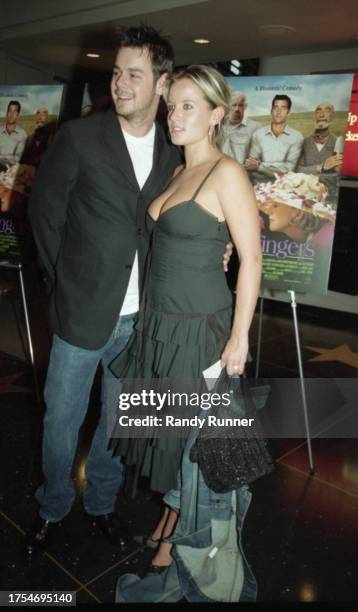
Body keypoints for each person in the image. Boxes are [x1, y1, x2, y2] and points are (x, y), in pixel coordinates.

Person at [25, 25, 182, 560]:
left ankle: (101, 506)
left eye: (134, 74)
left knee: (120, 427)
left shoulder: (173, 147)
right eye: (116, 72)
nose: (119, 83)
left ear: (162, 84)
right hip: (82, 312)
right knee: (60, 422)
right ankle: (52, 507)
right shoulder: (79, 137)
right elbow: (45, 214)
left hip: (141, 320)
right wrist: (62, 280)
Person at [109, 64, 269, 587]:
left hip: (199, 331)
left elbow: (252, 259)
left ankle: (179, 549)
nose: (175, 117)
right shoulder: (178, 171)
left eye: (189, 107)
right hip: (160, 325)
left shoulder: (227, 172)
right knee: (171, 437)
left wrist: (240, 338)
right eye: (172, 105)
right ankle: (167, 525)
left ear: (217, 115)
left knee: (190, 446)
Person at [254, 171, 336, 244]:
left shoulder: (323, 241)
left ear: (298, 214)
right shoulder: (308, 243)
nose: (267, 211)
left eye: (275, 205)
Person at [244, 94, 303, 178]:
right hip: (260, 184)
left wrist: (259, 166)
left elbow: (290, 168)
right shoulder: (258, 134)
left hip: (286, 185)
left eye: (283, 108)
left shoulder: (297, 137)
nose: (278, 111)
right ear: (271, 111)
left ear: (289, 113)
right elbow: (250, 165)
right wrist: (277, 167)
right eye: (275, 107)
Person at [297, 102, 343, 175]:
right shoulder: (304, 142)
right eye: (318, 111)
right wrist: (321, 167)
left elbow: (338, 174)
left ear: (332, 116)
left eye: (327, 111)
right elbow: (298, 170)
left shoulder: (338, 143)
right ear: (314, 117)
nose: (321, 115)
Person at [221, 91, 260, 164]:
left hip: (243, 173)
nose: (237, 109)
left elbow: (258, 159)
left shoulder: (255, 128)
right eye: (234, 105)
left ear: (245, 107)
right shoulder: (218, 126)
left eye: (240, 105)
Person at [0, 100, 27, 165]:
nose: (11, 114)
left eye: (15, 111)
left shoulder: (23, 134)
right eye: (10, 111)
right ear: (7, 113)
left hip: (12, 170)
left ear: (18, 115)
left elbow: (18, 158)